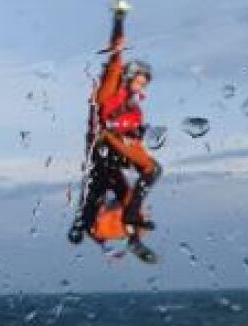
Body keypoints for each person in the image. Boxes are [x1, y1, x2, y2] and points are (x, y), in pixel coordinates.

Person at [68, 0, 162, 264]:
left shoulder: (133, 108)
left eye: (145, 82)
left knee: (119, 195)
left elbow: (131, 134)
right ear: (128, 77)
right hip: (103, 146)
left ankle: (130, 239)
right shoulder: (111, 88)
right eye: (140, 80)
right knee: (151, 170)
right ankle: (86, 225)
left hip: (109, 156)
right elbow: (115, 53)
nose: (142, 86)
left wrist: (139, 131)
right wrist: (119, 18)